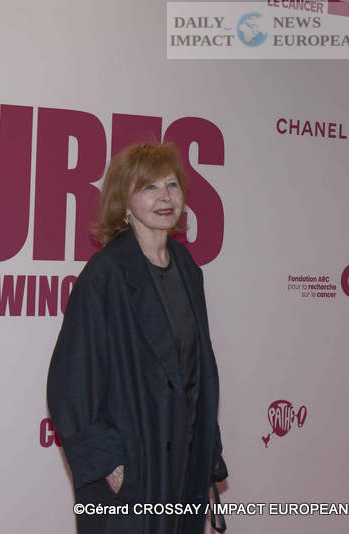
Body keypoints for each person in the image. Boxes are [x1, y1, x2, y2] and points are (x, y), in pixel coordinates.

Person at [46, 142, 228, 534]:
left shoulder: (186, 268)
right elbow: (70, 381)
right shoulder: (105, 274)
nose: (165, 197)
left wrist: (208, 453)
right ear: (124, 201)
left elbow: (197, 371)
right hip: (132, 463)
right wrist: (106, 461)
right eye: (149, 187)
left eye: (172, 185)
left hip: (183, 462)